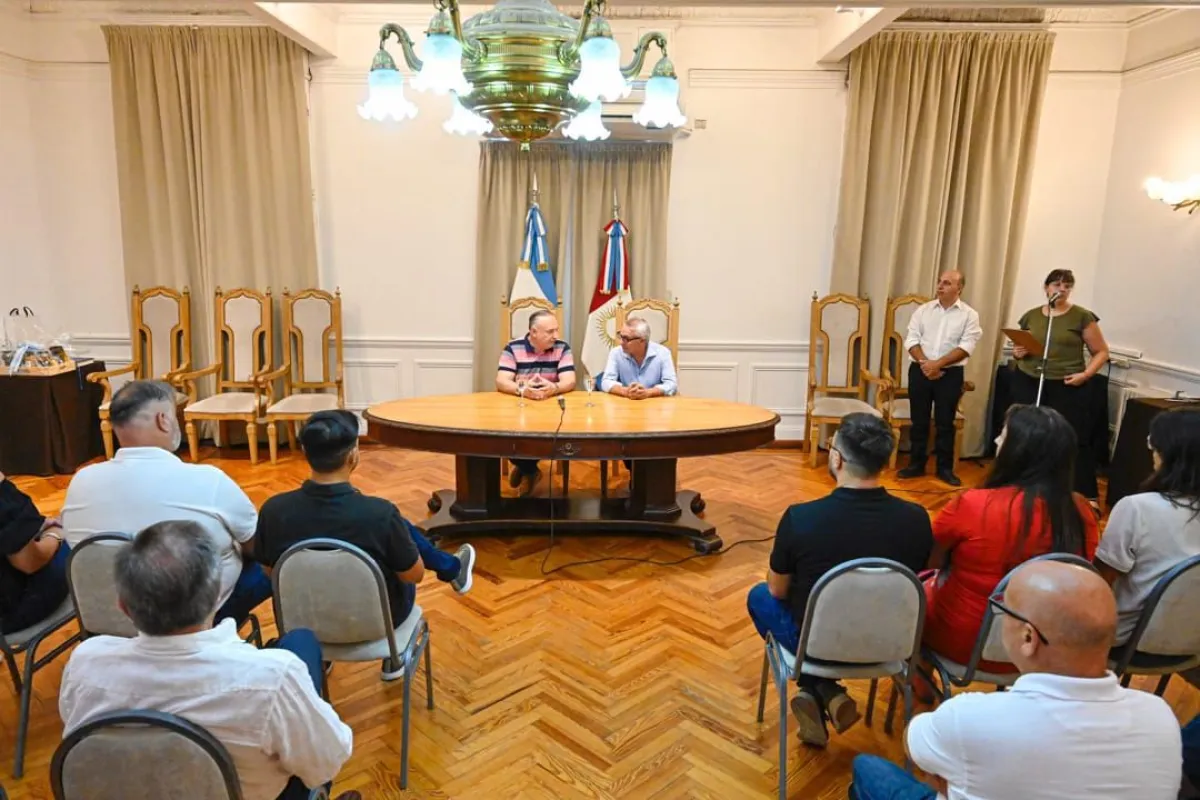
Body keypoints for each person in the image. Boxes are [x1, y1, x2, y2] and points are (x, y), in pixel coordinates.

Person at [59, 521, 358, 800]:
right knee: (301, 642)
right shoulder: (272, 678)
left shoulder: (85, 663)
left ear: (123, 607)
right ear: (217, 596)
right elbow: (326, 763)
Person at [850, 560, 1183, 800]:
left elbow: (913, 745)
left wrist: (952, 777)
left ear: (1028, 637)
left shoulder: (972, 718)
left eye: (1002, 610)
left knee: (868, 768)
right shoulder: (1161, 718)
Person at [746, 413, 933, 747]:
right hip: (890, 643)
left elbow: (778, 590)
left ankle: (818, 685)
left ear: (836, 459)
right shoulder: (917, 519)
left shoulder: (801, 518)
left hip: (818, 645)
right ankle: (825, 691)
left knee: (759, 596)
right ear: (884, 461)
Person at [253, 410, 476, 681]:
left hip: (304, 624)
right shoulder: (379, 514)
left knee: (390, 529)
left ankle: (319, 656)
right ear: (353, 456)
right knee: (394, 542)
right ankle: (397, 653)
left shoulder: (273, 511)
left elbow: (270, 572)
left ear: (305, 452)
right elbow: (414, 575)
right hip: (378, 625)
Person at [60, 380, 271, 628]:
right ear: (163, 420)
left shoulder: (81, 481)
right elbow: (256, 545)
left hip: (110, 617)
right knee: (271, 561)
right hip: (194, 620)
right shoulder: (208, 480)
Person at [920, 405, 1099, 683]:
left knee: (912, 599)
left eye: (1002, 435)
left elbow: (932, 559)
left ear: (1018, 451)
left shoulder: (974, 505)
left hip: (965, 642)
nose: (995, 441)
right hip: (1039, 649)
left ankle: (921, 695)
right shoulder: (1082, 513)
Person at [1095, 407, 1200, 644]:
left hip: (1130, 639)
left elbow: (1100, 580)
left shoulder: (1137, 508)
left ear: (1168, 454)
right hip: (1192, 643)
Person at [1010, 268, 1110, 515]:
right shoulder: (1031, 316)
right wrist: (1018, 352)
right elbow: (1020, 347)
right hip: (1030, 379)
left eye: (1067, 285)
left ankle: (1086, 494)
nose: (1062, 289)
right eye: (1057, 284)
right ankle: (1025, 485)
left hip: (1066, 383)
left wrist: (1086, 374)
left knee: (1073, 436)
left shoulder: (1082, 316)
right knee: (1027, 432)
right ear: (1046, 288)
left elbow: (1101, 351)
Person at [898, 270, 983, 487]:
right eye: (939, 282)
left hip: (950, 374)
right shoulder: (923, 310)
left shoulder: (969, 315)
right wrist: (926, 364)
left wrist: (938, 364)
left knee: (945, 423)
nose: (940, 286)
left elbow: (966, 346)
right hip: (920, 370)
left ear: (959, 288)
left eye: (946, 283)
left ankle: (944, 469)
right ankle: (916, 464)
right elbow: (911, 339)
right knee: (919, 421)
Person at [495, 309, 577, 495]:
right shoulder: (513, 348)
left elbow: (569, 380)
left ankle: (526, 468)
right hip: (521, 405)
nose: (556, 335)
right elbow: (502, 380)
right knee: (503, 433)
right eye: (550, 331)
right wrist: (523, 389)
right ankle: (530, 470)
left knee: (549, 431)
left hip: (551, 406)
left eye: (556, 330)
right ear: (533, 332)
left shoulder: (562, 347)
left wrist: (554, 388)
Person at [0, 472, 69, 634]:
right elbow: (30, 563)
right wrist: (55, 535)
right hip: (12, 611)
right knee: (79, 542)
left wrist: (27, 526)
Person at [599, 316, 678, 399]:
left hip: (654, 403)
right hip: (626, 403)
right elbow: (606, 381)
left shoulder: (663, 353)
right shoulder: (616, 353)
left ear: (642, 341)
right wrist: (625, 391)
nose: (621, 342)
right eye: (620, 336)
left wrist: (648, 393)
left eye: (626, 339)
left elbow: (671, 384)